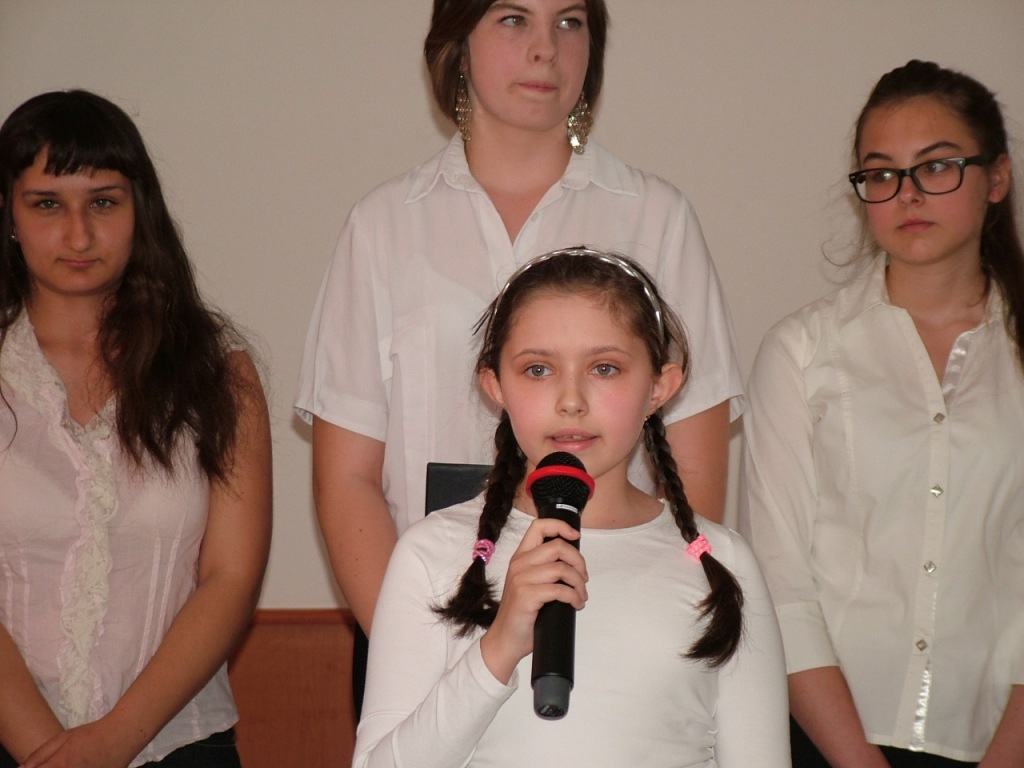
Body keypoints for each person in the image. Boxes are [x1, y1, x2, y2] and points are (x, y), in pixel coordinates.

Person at [295, 0, 743, 640]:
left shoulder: (657, 217)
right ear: (457, 44)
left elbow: (693, 476)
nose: (545, 48)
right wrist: (415, 652)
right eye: (513, 19)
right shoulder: (383, 225)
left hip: (614, 627)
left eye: (569, 22)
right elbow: (346, 481)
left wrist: (630, 641)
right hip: (421, 623)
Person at [352, 248, 789, 767]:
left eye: (605, 368)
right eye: (538, 370)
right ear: (495, 385)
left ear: (659, 386)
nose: (571, 400)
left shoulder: (722, 562)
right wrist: (498, 647)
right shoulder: (432, 553)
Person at [741, 60, 1024, 767]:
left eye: (937, 166)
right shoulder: (801, 351)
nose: (908, 193)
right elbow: (781, 586)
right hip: (825, 743)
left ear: (996, 177)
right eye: (882, 174)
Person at [0, 90, 272, 768]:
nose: (78, 235)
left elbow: (230, 578)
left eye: (103, 202)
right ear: (9, 215)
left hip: (177, 742)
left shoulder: (219, 373)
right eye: (46, 204)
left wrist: (115, 740)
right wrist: (49, 753)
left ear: (139, 210)